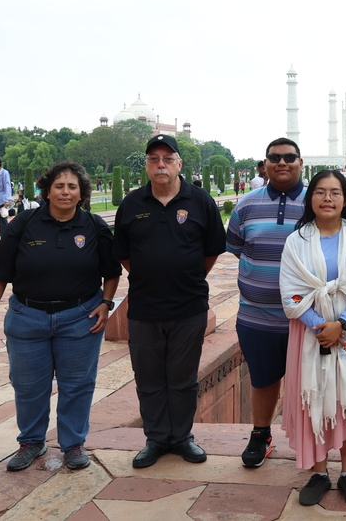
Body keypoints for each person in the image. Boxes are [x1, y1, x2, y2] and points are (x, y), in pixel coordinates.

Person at [0, 161, 120, 471]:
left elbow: (111, 272)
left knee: (77, 384)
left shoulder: (94, 226)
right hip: (28, 316)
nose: (65, 192)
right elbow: (0, 272)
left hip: (80, 316)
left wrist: (106, 303)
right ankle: (31, 442)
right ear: (47, 191)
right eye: (59, 186)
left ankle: (72, 445)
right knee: (29, 385)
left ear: (81, 192)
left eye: (72, 186)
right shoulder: (24, 223)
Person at [114, 134, 226, 468]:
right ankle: (156, 438)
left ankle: (181, 438)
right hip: (145, 309)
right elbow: (124, 256)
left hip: (188, 307)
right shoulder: (132, 204)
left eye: (167, 158)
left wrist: (184, 279)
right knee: (148, 378)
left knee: (182, 378)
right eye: (153, 159)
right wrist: (153, 277)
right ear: (146, 166)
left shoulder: (200, 201)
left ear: (179, 163)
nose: (160, 164)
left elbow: (210, 252)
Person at [279, 169, 346, 506]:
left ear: (345, 199)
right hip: (310, 335)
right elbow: (291, 292)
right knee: (315, 396)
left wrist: (341, 324)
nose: (327, 199)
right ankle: (319, 471)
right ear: (311, 198)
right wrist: (319, 325)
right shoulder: (298, 241)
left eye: (335, 193)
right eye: (320, 192)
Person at [226, 138, 306, 468]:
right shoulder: (246, 205)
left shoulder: (317, 203)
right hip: (257, 315)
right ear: (266, 163)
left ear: (301, 163)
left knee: (310, 382)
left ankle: (309, 441)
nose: (282, 162)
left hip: (307, 317)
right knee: (262, 379)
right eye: (275, 158)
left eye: (289, 157)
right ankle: (261, 434)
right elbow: (236, 248)